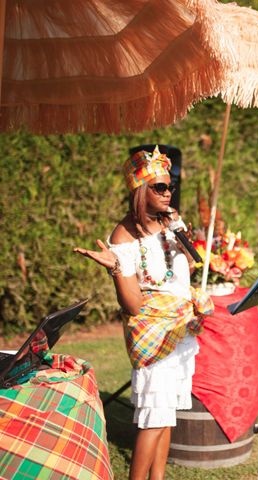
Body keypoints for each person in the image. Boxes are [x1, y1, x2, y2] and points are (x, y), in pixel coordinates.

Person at [74, 146, 213, 480]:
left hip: (180, 329)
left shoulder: (169, 222)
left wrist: (183, 236)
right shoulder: (123, 236)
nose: (169, 192)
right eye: (160, 187)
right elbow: (133, 305)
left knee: (167, 419)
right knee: (154, 420)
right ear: (140, 189)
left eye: (170, 186)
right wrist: (117, 268)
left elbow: (184, 273)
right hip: (154, 336)